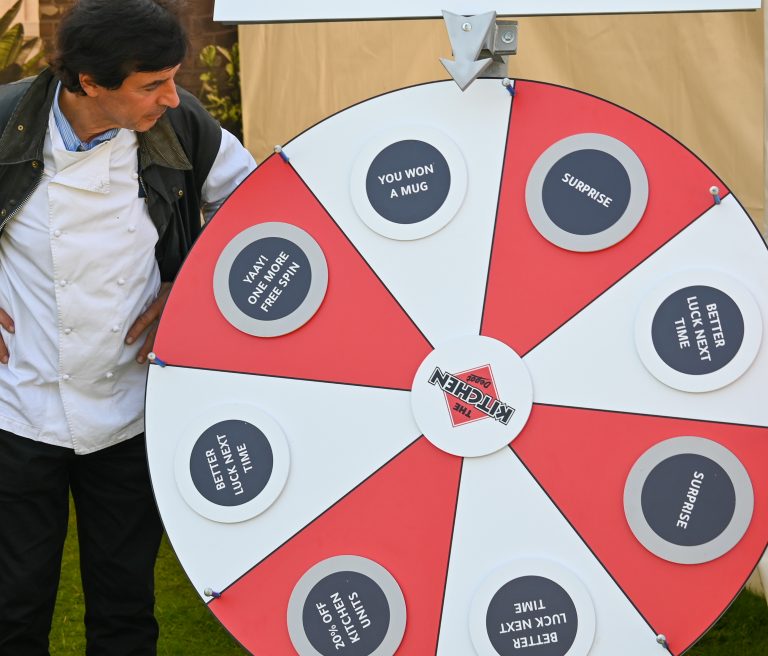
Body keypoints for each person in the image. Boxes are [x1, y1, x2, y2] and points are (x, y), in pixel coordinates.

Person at [0, 1, 256, 654]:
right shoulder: (6, 124)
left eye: (175, 78)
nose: (173, 99)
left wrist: (187, 287)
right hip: (17, 407)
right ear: (89, 83)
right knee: (13, 603)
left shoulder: (183, 129)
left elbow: (249, 202)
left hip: (129, 409)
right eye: (152, 85)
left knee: (125, 609)